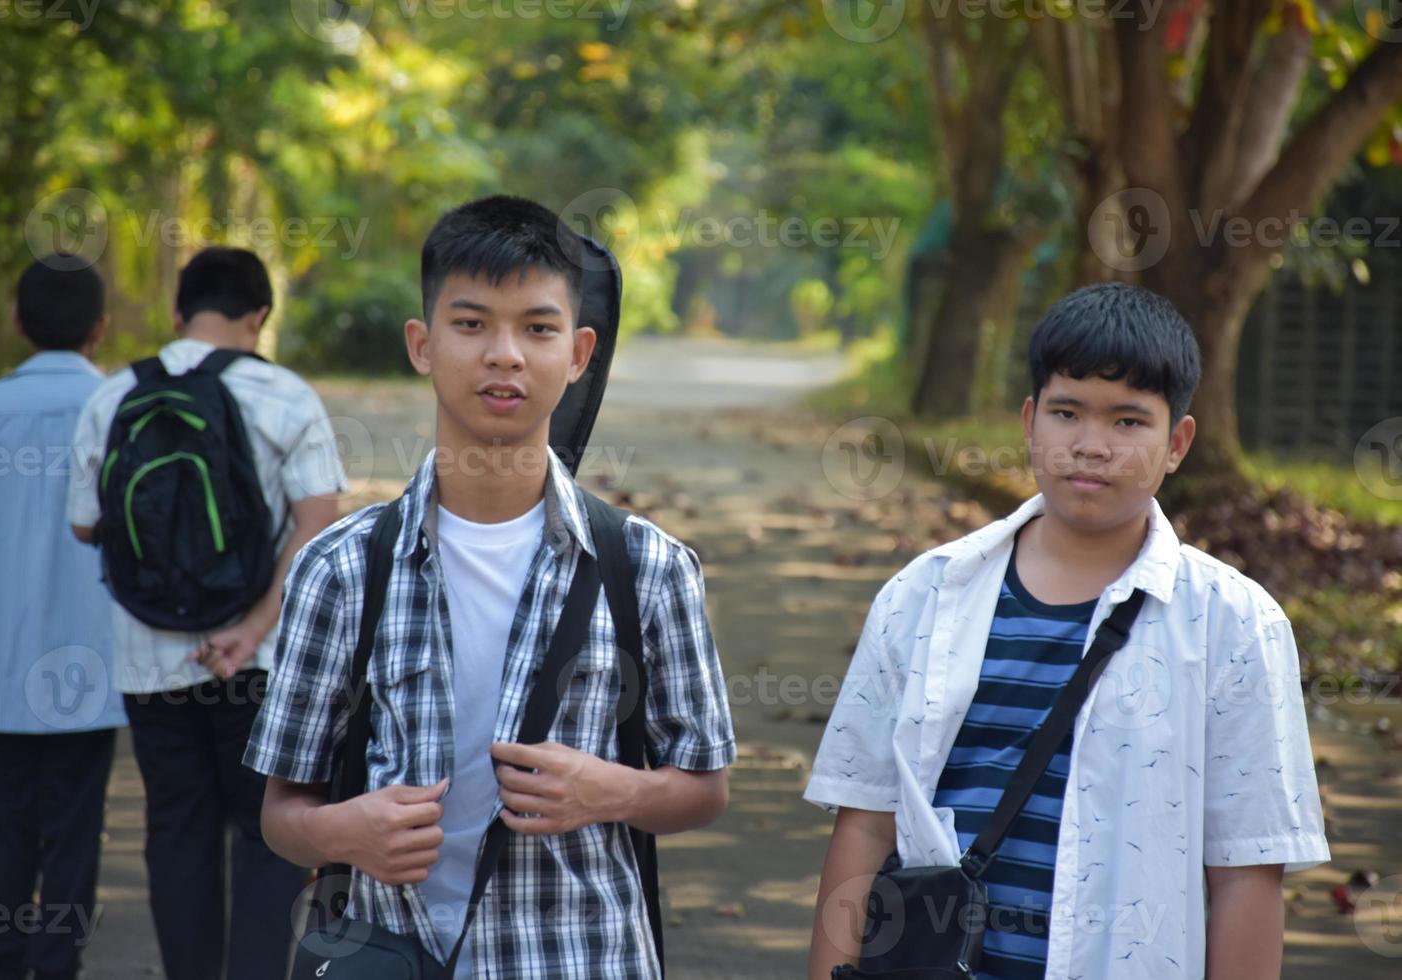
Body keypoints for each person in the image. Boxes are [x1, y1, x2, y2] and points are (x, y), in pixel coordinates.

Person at [244, 196, 736, 979]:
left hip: (579, 956)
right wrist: (347, 832)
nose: (504, 354)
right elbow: (281, 813)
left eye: (537, 329)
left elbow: (705, 787)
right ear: (422, 344)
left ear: (578, 354)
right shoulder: (340, 569)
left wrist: (611, 792)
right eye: (471, 323)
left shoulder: (648, 567)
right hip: (391, 956)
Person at [805, 282, 1330, 980]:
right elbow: (865, 822)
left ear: (1177, 442)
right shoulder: (924, 595)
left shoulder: (1235, 627)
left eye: (1127, 422)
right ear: (1029, 423)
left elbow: (1246, 873)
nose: (1091, 445)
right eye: (1067, 412)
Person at [67, 246, 348, 980]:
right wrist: (254, 624)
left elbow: (85, 525)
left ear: (177, 314)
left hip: (150, 660)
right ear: (258, 317)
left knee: (177, 831)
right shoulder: (283, 395)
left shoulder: (112, 394)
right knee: (269, 834)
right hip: (256, 662)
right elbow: (320, 523)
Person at [0, 256, 127, 980]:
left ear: (17, 320)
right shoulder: (121, 410)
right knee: (76, 821)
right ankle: (58, 958)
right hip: (91, 661)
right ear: (100, 329)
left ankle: (0, 956)